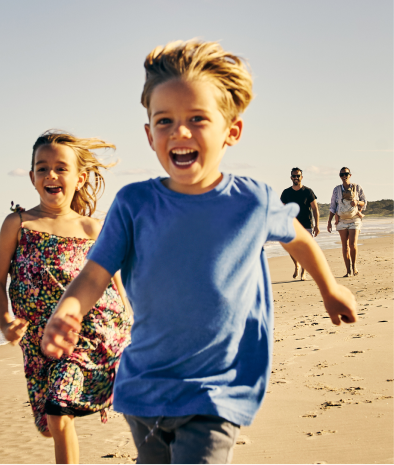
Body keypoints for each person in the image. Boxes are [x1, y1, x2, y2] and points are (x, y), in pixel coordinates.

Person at [41, 41, 357, 465]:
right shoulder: (135, 204)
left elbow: (299, 239)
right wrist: (69, 310)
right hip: (144, 388)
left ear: (232, 130)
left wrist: (330, 288)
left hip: (217, 389)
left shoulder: (251, 200)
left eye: (197, 119)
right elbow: (96, 272)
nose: (180, 132)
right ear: (150, 133)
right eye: (165, 121)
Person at [0, 131, 132, 465]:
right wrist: (5, 321)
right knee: (50, 424)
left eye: (60, 168)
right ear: (32, 178)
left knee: (57, 410)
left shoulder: (92, 229)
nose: (51, 174)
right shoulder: (18, 223)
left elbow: (115, 282)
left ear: (79, 178)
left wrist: (129, 317)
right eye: (42, 168)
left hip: (91, 332)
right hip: (39, 342)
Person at [280, 167, 320, 280]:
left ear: (302, 177)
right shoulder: (286, 192)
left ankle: (303, 272)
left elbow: (315, 209)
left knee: (306, 250)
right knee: (291, 248)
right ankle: (296, 265)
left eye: (298, 176)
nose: (296, 178)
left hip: (307, 224)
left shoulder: (308, 191)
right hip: (291, 225)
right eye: (294, 176)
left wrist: (317, 225)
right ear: (291, 177)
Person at [328, 167, 367, 277]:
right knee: (345, 246)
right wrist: (329, 222)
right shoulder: (336, 189)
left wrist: (357, 202)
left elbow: (364, 202)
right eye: (342, 174)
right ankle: (348, 270)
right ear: (340, 176)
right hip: (341, 220)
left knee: (352, 244)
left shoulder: (357, 187)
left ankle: (354, 266)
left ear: (350, 175)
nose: (344, 176)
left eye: (346, 173)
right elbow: (332, 206)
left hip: (354, 219)